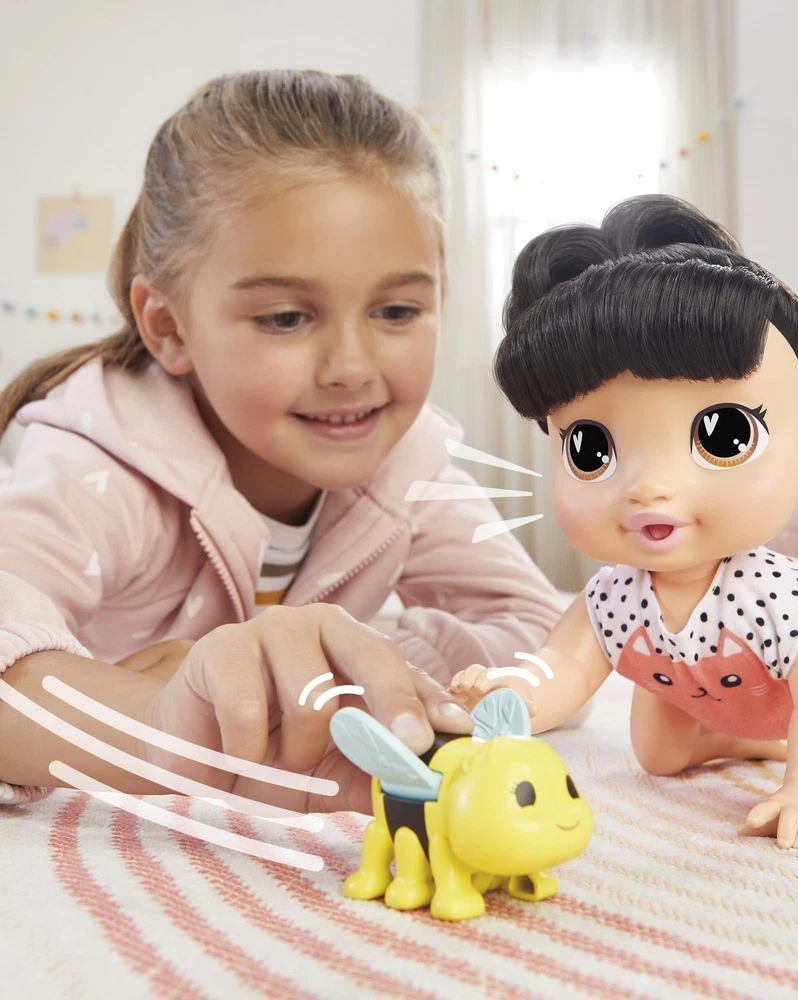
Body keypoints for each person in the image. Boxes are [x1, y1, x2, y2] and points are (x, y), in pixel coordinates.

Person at [0, 70, 564, 814]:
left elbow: (545, 638)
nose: (351, 368)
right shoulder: (99, 466)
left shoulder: (407, 465)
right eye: (286, 319)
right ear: (169, 328)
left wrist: (354, 680)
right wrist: (165, 719)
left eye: (396, 311)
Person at [452, 194, 798, 849]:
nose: (647, 486)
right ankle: (744, 738)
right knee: (658, 756)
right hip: (706, 689)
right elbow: (563, 667)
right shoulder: (613, 598)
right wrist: (510, 692)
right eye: (591, 449)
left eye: (722, 435)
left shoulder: (788, 597)